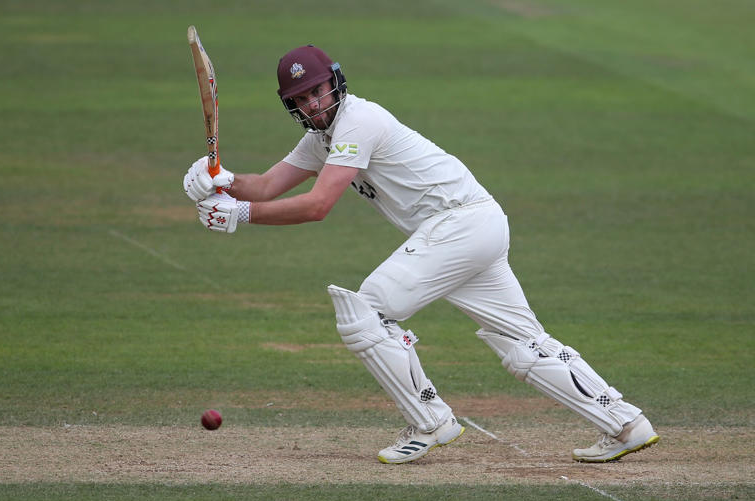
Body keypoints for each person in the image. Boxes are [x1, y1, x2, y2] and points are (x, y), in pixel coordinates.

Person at [182, 45, 660, 464]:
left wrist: (240, 215)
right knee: (521, 342)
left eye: (318, 90)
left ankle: (432, 421)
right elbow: (265, 185)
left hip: (458, 225)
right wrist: (220, 179)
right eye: (301, 99)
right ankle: (624, 423)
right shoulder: (320, 138)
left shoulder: (359, 121)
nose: (313, 102)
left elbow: (318, 205)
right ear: (293, 106)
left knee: (366, 310)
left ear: (335, 83)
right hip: (475, 227)